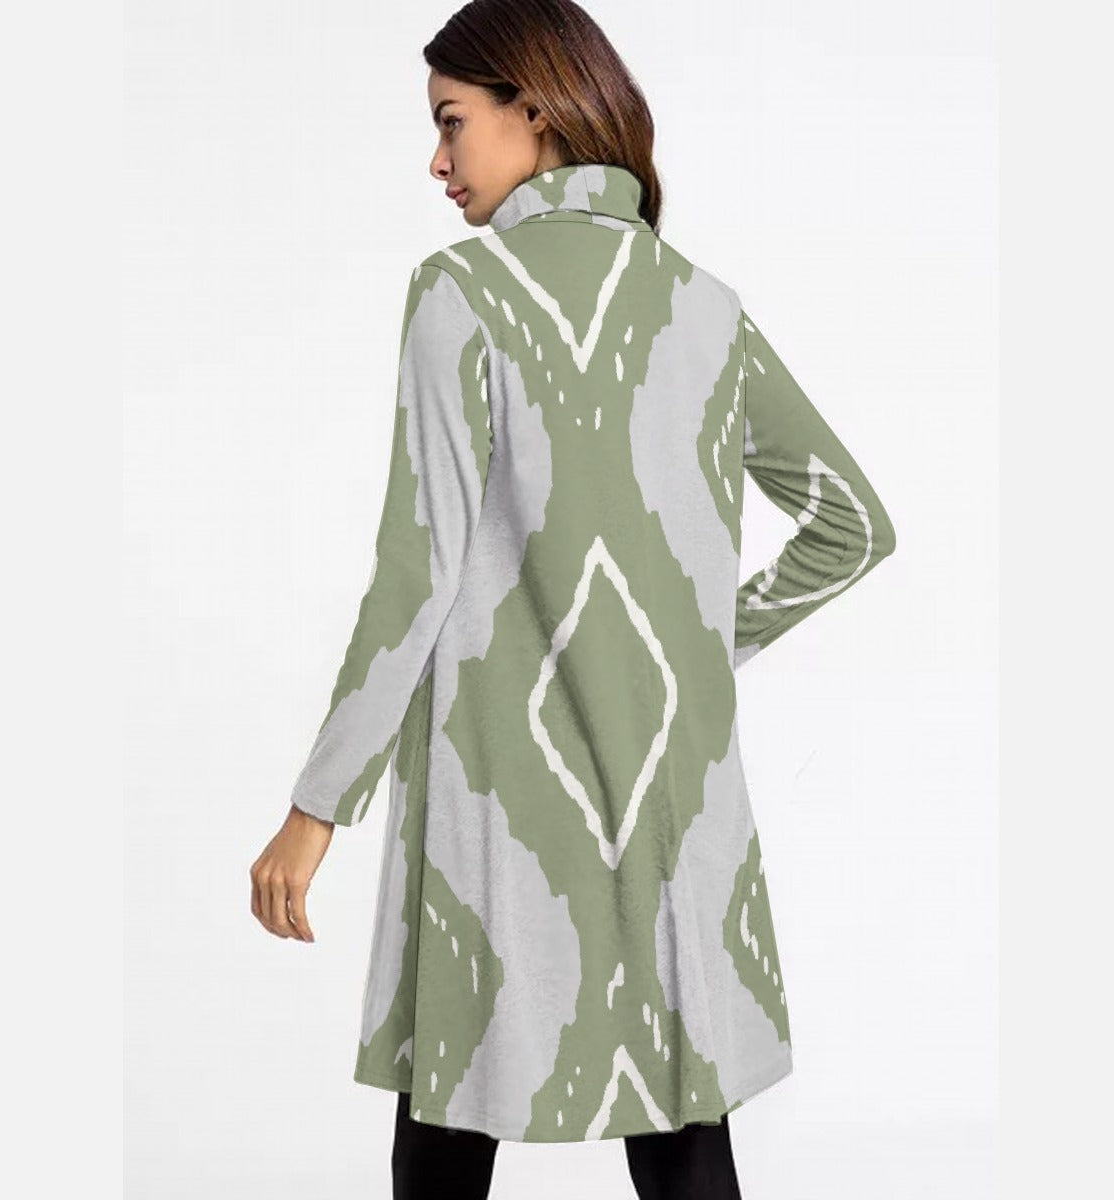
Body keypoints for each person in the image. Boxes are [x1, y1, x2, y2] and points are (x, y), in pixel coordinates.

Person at [249, 1, 897, 1195]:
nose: (437, 161)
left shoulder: (462, 293)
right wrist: (702, 642)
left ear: (535, 110)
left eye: (452, 122)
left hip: (496, 814)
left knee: (447, 1135)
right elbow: (850, 523)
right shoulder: (703, 305)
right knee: (686, 1137)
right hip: (671, 810)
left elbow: (418, 572)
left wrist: (316, 805)